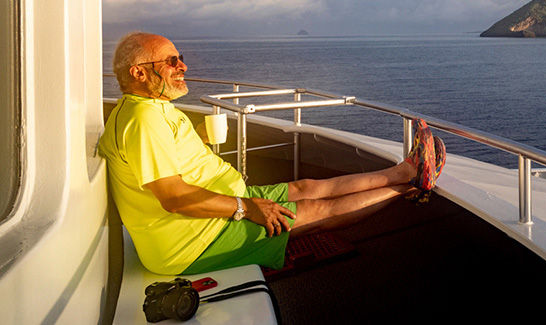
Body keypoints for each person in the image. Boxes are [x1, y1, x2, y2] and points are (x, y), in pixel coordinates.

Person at [98, 32, 443, 275]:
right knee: (316, 210)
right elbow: (174, 198)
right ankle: (413, 186)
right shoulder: (144, 119)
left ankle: (403, 170)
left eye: (180, 59)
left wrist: (199, 142)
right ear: (139, 72)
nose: (182, 67)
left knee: (308, 187)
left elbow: (167, 165)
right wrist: (245, 208)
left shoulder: (150, 109)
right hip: (193, 240)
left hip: (218, 202)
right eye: (171, 61)